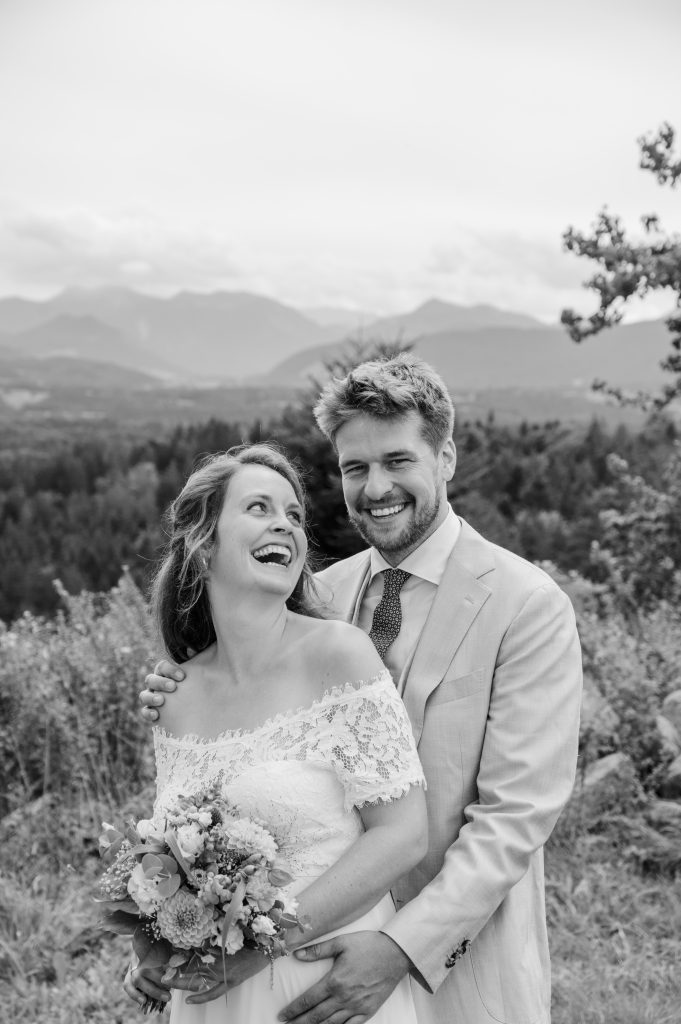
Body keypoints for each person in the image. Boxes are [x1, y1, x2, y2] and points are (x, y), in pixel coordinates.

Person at [141, 354, 583, 1024]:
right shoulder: (317, 592)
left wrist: (399, 948)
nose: (375, 487)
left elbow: (512, 819)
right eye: (355, 468)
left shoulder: (526, 604)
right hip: (295, 958)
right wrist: (177, 685)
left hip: (453, 961)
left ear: (446, 458)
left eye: (397, 461)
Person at [124, 442, 428, 1024]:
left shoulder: (338, 654)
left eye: (294, 515)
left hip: (322, 986)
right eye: (259, 508)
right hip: (212, 998)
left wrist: (265, 942)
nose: (285, 526)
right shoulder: (175, 697)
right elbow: (176, 856)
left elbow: (402, 834)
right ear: (204, 542)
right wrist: (155, 946)